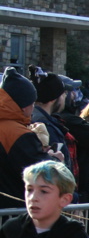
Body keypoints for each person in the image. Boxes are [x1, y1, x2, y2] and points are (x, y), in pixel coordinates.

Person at [0, 67, 51, 208]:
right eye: (32, 103)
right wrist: (55, 159)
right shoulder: (18, 134)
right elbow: (41, 171)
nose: (33, 108)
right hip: (14, 209)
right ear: (23, 106)